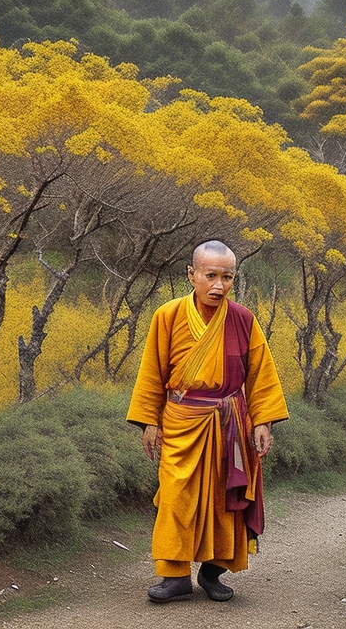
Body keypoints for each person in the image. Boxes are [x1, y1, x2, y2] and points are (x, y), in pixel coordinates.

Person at [126, 240, 288, 603]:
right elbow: (153, 372)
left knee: (224, 499)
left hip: (231, 424)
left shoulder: (244, 319)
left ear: (234, 278)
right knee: (175, 496)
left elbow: (260, 373)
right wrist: (150, 421)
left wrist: (263, 422)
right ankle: (174, 576)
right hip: (182, 421)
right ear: (192, 275)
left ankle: (213, 572)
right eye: (210, 275)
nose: (218, 285)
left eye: (227, 277)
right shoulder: (167, 316)